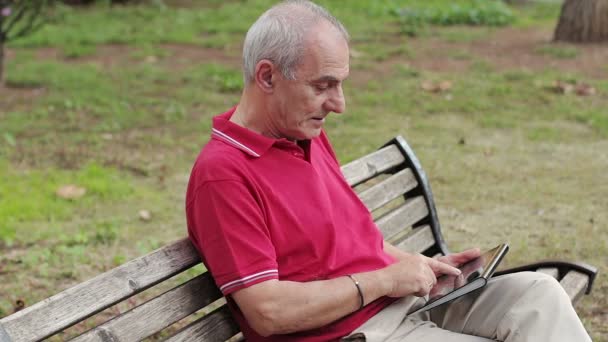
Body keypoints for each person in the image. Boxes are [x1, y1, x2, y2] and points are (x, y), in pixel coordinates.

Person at [185, 1, 592, 341]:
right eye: (323, 85)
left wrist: (422, 267)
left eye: (340, 84)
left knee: (540, 295)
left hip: (400, 304)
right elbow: (267, 311)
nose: (339, 104)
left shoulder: (301, 133)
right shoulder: (223, 175)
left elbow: (348, 243)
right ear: (267, 76)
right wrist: (385, 281)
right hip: (355, 332)